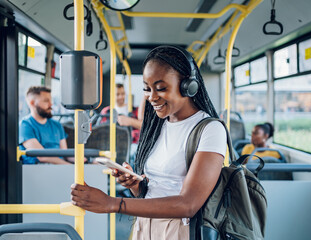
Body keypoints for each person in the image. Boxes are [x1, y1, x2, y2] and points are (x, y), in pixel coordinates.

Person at [71, 46, 227, 239]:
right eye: (147, 89)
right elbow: (158, 189)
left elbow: (188, 204)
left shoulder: (210, 129)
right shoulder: (158, 125)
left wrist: (112, 203)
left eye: (161, 88)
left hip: (180, 230)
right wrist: (136, 186)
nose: (152, 97)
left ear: (188, 85)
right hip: (144, 224)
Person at [19, 86, 76, 164]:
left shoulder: (57, 125)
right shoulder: (25, 126)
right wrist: (69, 167)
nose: (51, 104)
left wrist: (90, 160)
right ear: (32, 103)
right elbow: (42, 157)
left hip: (61, 167)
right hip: (37, 169)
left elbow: (65, 153)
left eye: (51, 100)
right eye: (46, 101)